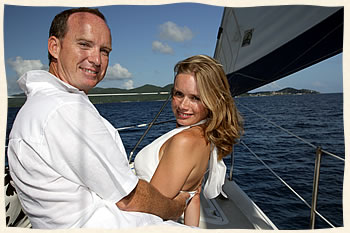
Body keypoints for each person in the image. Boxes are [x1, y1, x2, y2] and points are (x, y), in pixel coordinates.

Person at [7, 7, 189, 229]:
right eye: (84, 44)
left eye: (105, 51)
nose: (96, 59)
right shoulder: (63, 109)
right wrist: (175, 207)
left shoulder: (42, 105)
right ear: (54, 46)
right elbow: (129, 198)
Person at [134, 55, 244, 226]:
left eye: (195, 98)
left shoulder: (185, 141)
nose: (183, 106)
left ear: (212, 100)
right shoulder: (205, 135)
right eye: (179, 94)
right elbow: (194, 195)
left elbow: (147, 214)